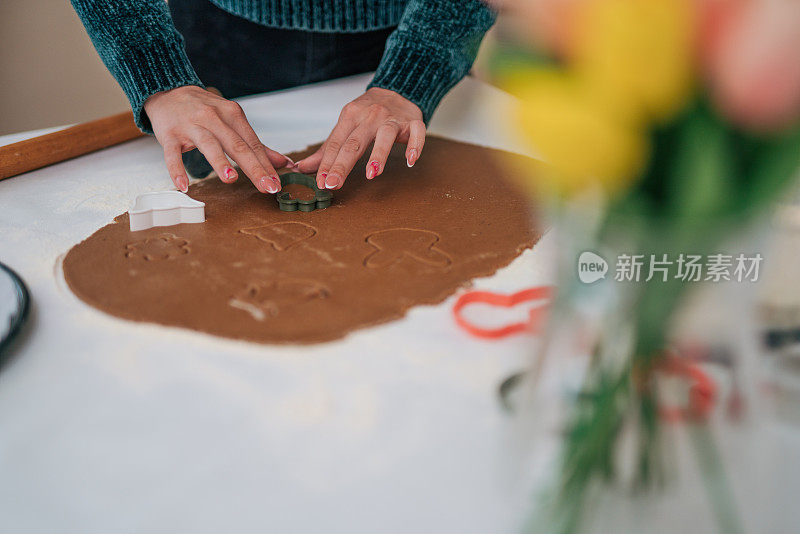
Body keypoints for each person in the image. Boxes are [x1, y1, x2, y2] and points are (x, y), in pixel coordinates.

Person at [71, 0, 496, 194]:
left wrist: (417, 68)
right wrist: (158, 74)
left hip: (413, 20)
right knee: (221, 189)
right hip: (218, 30)